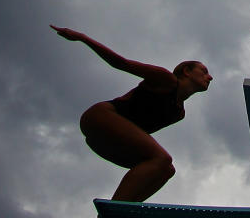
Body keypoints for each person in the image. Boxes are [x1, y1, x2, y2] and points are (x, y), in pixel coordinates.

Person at [51, 26, 212, 202]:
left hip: (105, 141)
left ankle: (123, 210)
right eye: (204, 71)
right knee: (162, 158)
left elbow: (138, 137)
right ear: (187, 71)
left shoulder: (178, 113)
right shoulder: (165, 80)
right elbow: (121, 63)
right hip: (100, 117)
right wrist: (83, 38)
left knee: (166, 170)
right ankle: (116, 206)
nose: (209, 77)